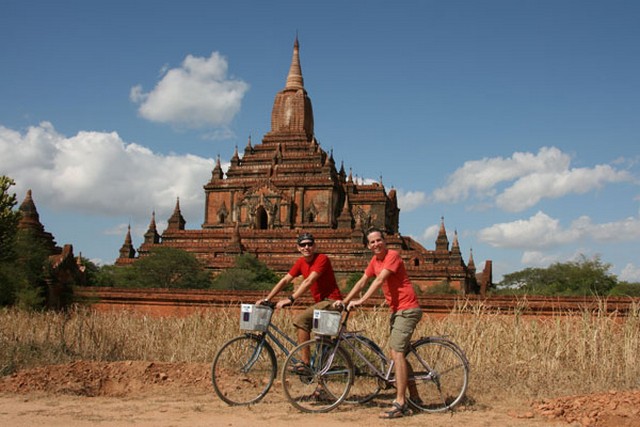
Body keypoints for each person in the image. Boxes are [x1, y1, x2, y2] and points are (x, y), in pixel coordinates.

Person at [337, 227, 422, 419]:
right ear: (368, 245)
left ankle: (400, 402)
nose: (376, 244)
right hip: (397, 310)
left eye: (378, 240)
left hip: (407, 309)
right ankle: (415, 398)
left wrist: (361, 301)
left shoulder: (393, 255)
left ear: (385, 241)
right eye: (372, 242)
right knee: (398, 353)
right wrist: (344, 301)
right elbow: (362, 282)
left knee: (397, 353)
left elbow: (379, 281)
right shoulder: (374, 261)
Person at [258, 232, 342, 364]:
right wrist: (267, 298)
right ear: (298, 248)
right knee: (322, 341)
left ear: (314, 246)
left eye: (309, 244)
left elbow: (309, 281)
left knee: (301, 320)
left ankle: (305, 362)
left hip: (331, 301)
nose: (306, 247)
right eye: (303, 245)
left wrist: (291, 299)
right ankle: (320, 374)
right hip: (321, 303)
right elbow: (285, 280)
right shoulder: (300, 262)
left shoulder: (322, 259)